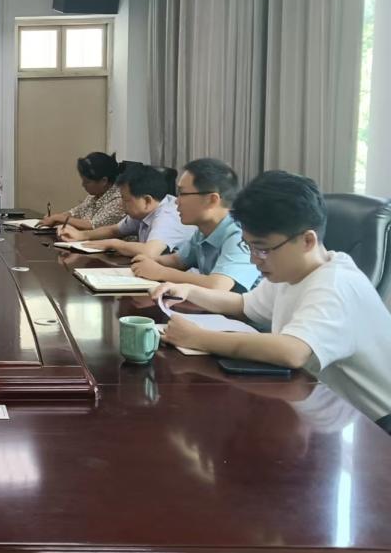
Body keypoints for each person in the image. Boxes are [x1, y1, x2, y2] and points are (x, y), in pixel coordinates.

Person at [152, 171, 391, 432]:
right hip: (328, 408)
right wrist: (190, 291)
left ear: (307, 240)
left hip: (375, 425)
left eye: (263, 248)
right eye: (250, 247)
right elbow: (243, 305)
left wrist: (198, 338)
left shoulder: (335, 284)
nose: (254, 259)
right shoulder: (292, 272)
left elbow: (292, 352)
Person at [130, 158, 259, 292]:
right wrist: (151, 261)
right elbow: (178, 261)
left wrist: (160, 272)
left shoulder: (240, 234)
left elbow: (218, 285)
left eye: (182, 193)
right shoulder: (204, 230)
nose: (176, 201)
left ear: (212, 200)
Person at [60, 162, 195, 257]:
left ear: (147, 201)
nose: (121, 205)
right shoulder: (144, 212)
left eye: (125, 200)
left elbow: (150, 251)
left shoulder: (167, 215)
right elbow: (114, 230)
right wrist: (81, 235)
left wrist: (113, 244)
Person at [39, 151, 124, 231]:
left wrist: (59, 218)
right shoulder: (95, 195)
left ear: (103, 181)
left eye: (87, 182)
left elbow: (92, 225)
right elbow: (76, 212)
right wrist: (53, 218)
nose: (83, 185)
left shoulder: (119, 201)